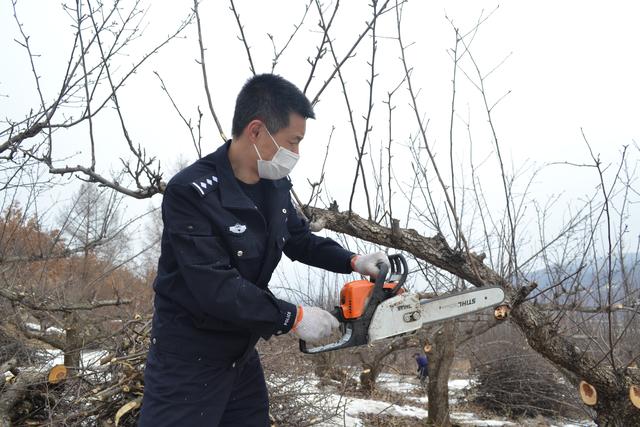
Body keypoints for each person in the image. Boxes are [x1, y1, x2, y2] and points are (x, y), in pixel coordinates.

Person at [138, 73, 390, 426]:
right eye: (293, 141)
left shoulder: (275, 186)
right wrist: (293, 317)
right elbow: (216, 287)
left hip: (239, 353)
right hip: (188, 357)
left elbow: (299, 239)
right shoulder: (192, 194)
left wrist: (353, 261)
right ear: (256, 131)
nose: (296, 154)